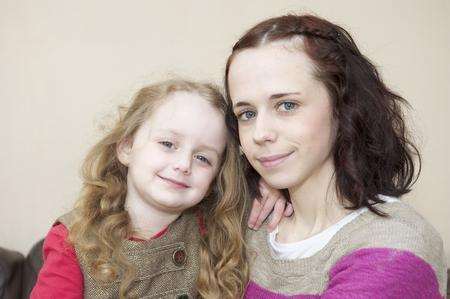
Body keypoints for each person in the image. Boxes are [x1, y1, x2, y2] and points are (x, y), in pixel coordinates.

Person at [225, 14, 447, 298]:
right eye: (247, 113)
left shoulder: (396, 247)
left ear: (342, 108)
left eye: (287, 105)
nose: (260, 133)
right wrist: (246, 183)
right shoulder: (247, 222)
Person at [31, 79, 260, 298]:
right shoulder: (72, 240)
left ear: (214, 180)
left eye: (202, 158)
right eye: (168, 144)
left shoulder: (216, 233)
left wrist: (267, 187)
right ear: (127, 147)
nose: (183, 165)